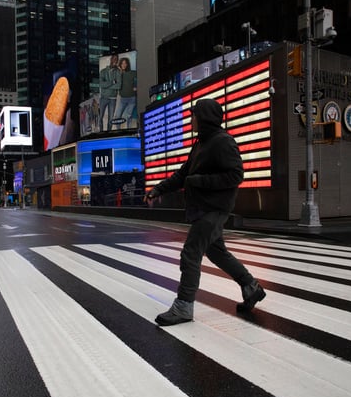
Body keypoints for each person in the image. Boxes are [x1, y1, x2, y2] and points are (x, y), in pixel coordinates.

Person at [143, 98, 265, 326]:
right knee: (217, 253)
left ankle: (183, 307)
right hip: (203, 208)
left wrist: (199, 181)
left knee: (191, 252)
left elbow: (236, 175)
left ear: (204, 118)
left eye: (194, 115)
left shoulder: (223, 142)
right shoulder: (200, 143)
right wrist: (157, 190)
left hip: (215, 208)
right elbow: (182, 175)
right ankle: (251, 287)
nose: (191, 119)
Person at [113, 57, 137, 128]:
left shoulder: (132, 73)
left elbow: (142, 76)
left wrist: (137, 87)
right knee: (117, 116)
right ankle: (118, 131)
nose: (123, 65)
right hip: (122, 99)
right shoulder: (118, 74)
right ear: (120, 64)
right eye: (122, 63)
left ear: (127, 64)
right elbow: (114, 83)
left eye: (125, 63)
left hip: (131, 99)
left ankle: (128, 130)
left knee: (129, 116)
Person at [98, 54, 120, 131]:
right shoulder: (103, 71)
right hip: (103, 98)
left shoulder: (118, 72)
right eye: (114, 58)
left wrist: (107, 85)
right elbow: (101, 85)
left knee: (111, 119)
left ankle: (108, 133)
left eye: (116, 59)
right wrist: (112, 82)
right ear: (111, 60)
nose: (115, 60)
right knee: (100, 117)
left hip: (113, 99)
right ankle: (101, 132)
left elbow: (118, 86)